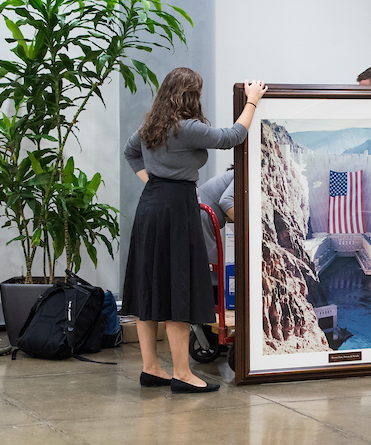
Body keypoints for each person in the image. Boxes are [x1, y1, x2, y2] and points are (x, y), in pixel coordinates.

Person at [122, 67, 267, 393]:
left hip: (150, 207)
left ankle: (151, 369)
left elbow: (130, 152)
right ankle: (183, 375)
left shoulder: (150, 126)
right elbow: (232, 137)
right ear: (190, 95)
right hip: (177, 209)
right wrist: (253, 101)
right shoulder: (187, 128)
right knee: (178, 289)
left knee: (150, 288)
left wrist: (153, 181)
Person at [198, 167, 235, 285]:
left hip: (200, 215)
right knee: (211, 270)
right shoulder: (243, 173)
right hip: (202, 216)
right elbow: (226, 202)